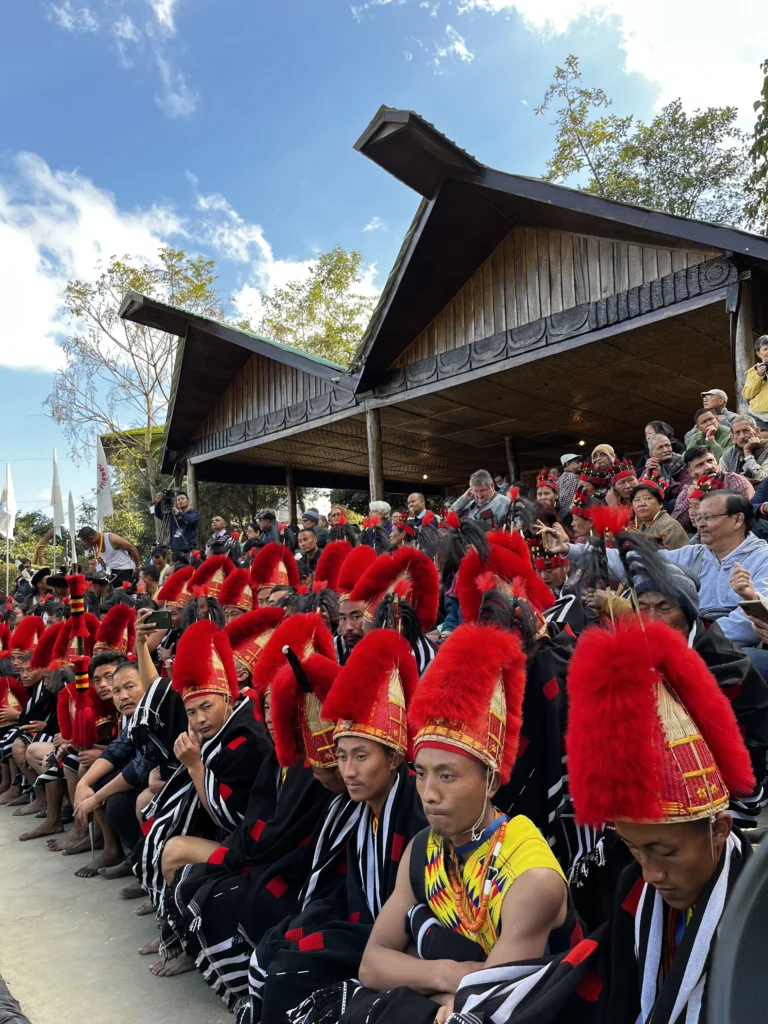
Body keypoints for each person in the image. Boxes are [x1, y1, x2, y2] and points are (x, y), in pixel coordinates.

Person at [450, 617, 755, 1023]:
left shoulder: (756, 910)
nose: (652, 872)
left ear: (719, 828)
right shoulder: (633, 886)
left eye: (664, 851)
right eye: (634, 849)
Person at [297, 622, 573, 1024]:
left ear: (491, 780)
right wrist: (450, 974)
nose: (427, 793)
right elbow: (372, 964)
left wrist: (415, 969)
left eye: (446, 776)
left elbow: (485, 1006)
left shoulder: (531, 878)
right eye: (421, 773)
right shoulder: (424, 849)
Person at [247, 628, 426, 1024]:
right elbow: (350, 898)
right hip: (367, 935)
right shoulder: (360, 811)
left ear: (395, 756)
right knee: (278, 943)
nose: (347, 771)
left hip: (404, 952)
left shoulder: (419, 815)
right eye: (342, 756)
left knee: (287, 977)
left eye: (361, 756)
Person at [616, 532, 768, 823]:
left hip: (715, 790)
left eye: (664, 607)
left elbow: (751, 738)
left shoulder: (727, 666)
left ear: (687, 613)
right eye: (643, 607)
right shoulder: (633, 647)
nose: (651, 618)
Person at [550, 490, 768, 648]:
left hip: (731, 648)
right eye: (698, 517)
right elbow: (634, 561)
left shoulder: (762, 558)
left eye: (708, 518)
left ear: (738, 519)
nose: (700, 524)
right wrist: (568, 548)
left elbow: (748, 623)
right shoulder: (693, 553)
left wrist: (694, 642)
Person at [74, 659, 187, 879]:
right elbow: (116, 749)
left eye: (130, 687)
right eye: (117, 691)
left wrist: (96, 798)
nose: (123, 696)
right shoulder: (135, 717)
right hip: (154, 780)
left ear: (147, 685)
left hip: (175, 782)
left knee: (117, 801)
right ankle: (133, 855)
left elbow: (140, 767)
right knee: (98, 779)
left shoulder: (157, 713)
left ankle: (149, 864)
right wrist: (84, 783)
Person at [673, 445, 754, 533]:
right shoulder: (689, 489)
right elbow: (676, 525)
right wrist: (693, 496)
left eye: (710, 461)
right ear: (691, 472)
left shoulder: (736, 482)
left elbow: (743, 518)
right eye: (700, 465)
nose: (708, 467)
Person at [629, 471, 689, 550]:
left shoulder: (669, 528)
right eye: (637, 500)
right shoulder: (644, 525)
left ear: (660, 503)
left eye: (647, 498)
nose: (641, 504)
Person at [644, 433, 692, 504]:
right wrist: (648, 476)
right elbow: (643, 492)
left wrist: (662, 475)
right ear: (651, 454)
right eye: (660, 447)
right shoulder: (651, 466)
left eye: (668, 446)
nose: (666, 450)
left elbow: (684, 491)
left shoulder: (683, 463)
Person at [719, 413, 768, 480]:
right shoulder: (728, 455)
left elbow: (765, 479)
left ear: (757, 431)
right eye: (737, 432)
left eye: (746, 430)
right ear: (732, 438)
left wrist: (747, 452)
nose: (742, 436)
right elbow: (722, 482)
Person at [153, 490, 200, 554]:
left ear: (188, 501)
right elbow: (158, 514)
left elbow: (191, 520)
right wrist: (158, 503)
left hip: (189, 550)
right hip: (175, 551)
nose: (180, 501)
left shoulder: (194, 513)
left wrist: (179, 512)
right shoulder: (173, 516)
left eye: (183, 498)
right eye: (178, 499)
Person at [741, 335, 768, 430]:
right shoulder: (753, 372)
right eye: (765, 349)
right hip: (759, 415)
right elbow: (747, 395)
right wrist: (759, 376)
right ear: (758, 354)